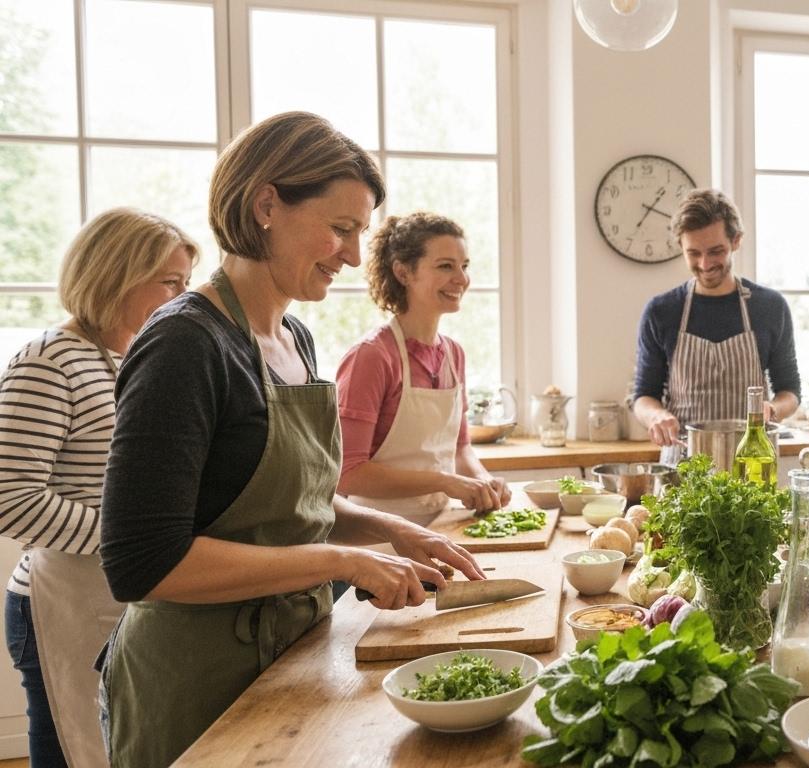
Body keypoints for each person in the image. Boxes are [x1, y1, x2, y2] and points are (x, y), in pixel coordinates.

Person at [97, 112, 485, 768]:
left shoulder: (295, 340)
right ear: (266, 205)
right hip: (195, 682)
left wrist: (391, 532)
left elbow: (296, 506)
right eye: (340, 229)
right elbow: (142, 564)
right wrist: (342, 562)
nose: (353, 256)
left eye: (360, 233)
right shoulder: (184, 344)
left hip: (292, 654)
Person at [0, 208, 196, 768]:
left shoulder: (131, 355)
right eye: (170, 283)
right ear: (115, 274)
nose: (183, 298)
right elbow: (11, 499)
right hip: (62, 600)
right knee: (74, 751)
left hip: (122, 593)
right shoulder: (48, 362)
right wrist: (130, 540)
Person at [335, 212, 511, 524]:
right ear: (403, 272)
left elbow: (460, 449)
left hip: (442, 525)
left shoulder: (453, 354)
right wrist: (445, 481)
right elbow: (348, 474)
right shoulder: (372, 356)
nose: (462, 278)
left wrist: (484, 482)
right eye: (446, 266)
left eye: (464, 266)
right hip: (375, 536)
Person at [631, 189, 801, 446]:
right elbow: (643, 395)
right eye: (694, 253)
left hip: (753, 465)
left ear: (736, 241)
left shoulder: (770, 307)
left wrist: (773, 409)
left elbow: (790, 391)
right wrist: (657, 416)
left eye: (716, 251)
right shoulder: (661, 311)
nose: (705, 263)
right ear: (681, 246)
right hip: (684, 464)